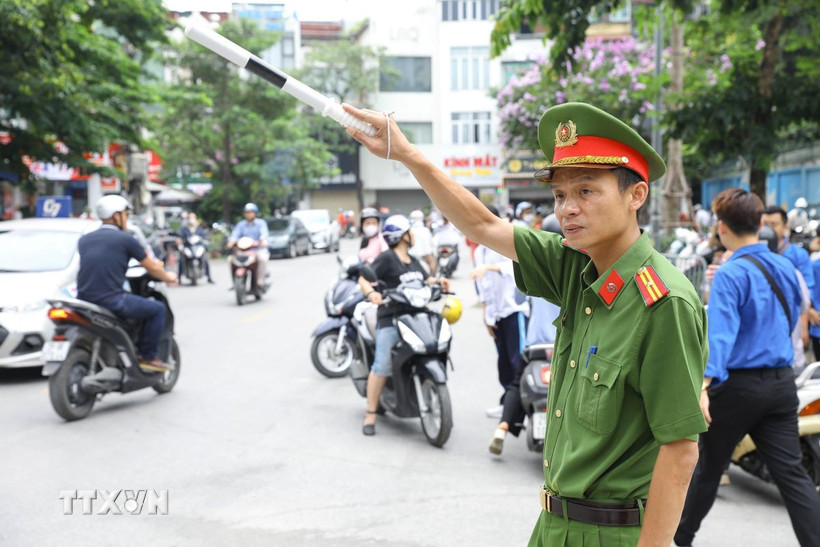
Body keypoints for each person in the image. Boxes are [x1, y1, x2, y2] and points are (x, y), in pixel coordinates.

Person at [345, 101, 707, 545]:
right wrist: (408, 155)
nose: (567, 209)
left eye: (586, 191)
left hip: (612, 535)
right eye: (559, 196)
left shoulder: (663, 302)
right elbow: (481, 224)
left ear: (636, 195)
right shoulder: (576, 268)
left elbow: (680, 449)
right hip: (552, 525)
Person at [675, 188, 820, 547]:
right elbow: (799, 311)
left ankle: (678, 539)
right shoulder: (785, 265)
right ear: (759, 224)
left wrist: (704, 386)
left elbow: (721, 337)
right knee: (792, 475)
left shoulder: (730, 272)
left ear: (721, 227)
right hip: (781, 384)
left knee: (708, 468)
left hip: (737, 388)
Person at [357, 215, 450, 436]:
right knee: (382, 364)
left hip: (416, 315)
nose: (414, 235)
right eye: (411, 231)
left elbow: (425, 280)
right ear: (402, 236)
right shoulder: (387, 258)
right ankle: (370, 412)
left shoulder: (414, 260)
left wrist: (439, 282)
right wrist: (371, 293)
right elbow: (363, 277)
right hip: (391, 317)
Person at [77, 195, 177, 372]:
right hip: (111, 299)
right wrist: (169, 277)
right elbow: (152, 267)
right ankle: (148, 357)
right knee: (157, 309)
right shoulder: (126, 240)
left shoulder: (85, 239)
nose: (127, 218)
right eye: (125, 214)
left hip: (84, 299)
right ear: (116, 216)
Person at [489, 218, 562, 456]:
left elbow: (519, 300)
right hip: (565, 346)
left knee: (516, 383)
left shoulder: (536, 270)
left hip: (536, 346)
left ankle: (503, 426)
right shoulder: (579, 270)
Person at [471, 205, 530, 419]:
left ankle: (522, 408)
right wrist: (487, 315)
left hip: (513, 310)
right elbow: (485, 287)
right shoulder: (480, 249)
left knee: (518, 360)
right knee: (503, 361)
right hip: (495, 314)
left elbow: (515, 267)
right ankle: (508, 403)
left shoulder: (507, 238)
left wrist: (489, 268)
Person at [227, 203, 269, 292]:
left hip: (256, 250)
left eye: (250, 212)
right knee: (230, 259)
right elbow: (235, 235)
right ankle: (234, 283)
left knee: (263, 259)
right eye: (246, 212)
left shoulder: (261, 223)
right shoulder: (241, 225)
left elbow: (264, 234)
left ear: (255, 213)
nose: (248, 214)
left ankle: (260, 281)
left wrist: (263, 240)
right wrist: (231, 241)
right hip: (243, 251)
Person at [177, 211, 214, 284]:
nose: (191, 219)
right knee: (181, 260)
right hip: (188, 247)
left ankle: (209, 277)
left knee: (205, 260)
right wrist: (180, 244)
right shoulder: (184, 229)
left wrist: (206, 243)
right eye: (190, 218)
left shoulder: (199, 229)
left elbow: (204, 238)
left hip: (197, 248)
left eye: (193, 218)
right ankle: (179, 278)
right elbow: (180, 238)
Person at [408, 209, 436, 274]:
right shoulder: (425, 230)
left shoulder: (409, 230)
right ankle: (431, 277)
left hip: (411, 256)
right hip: (425, 255)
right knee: (432, 262)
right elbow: (431, 244)